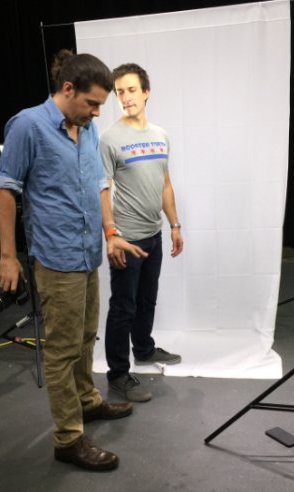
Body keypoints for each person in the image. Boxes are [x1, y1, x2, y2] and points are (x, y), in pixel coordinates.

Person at [0, 50, 147, 472]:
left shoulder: (87, 127)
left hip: (87, 252)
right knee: (62, 350)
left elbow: (99, 183)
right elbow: (5, 189)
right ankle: (68, 438)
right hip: (56, 257)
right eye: (92, 103)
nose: (98, 112)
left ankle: (88, 401)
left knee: (84, 337)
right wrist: (7, 256)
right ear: (67, 89)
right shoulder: (28, 126)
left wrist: (111, 233)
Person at [100, 63, 184, 403]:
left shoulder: (161, 135)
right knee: (124, 306)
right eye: (119, 92)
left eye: (131, 90)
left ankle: (145, 350)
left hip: (154, 234)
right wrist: (111, 235)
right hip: (127, 238)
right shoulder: (109, 139)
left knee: (148, 299)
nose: (125, 97)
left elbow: (165, 184)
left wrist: (174, 224)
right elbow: (102, 189)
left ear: (146, 92)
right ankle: (118, 373)